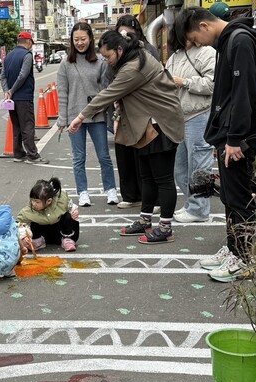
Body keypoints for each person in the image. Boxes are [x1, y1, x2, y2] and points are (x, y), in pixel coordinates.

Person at [68, 29, 184, 244]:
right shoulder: (133, 58)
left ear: (120, 50)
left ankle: (166, 227)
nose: (107, 61)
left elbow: (108, 94)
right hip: (146, 124)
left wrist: (80, 117)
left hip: (161, 124)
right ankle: (145, 220)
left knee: (163, 178)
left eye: (108, 56)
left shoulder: (133, 68)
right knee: (147, 176)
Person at [176, 7, 256, 281]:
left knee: (238, 199)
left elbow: (242, 93)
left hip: (238, 137)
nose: (197, 44)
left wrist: (235, 138)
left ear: (204, 25)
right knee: (229, 197)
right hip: (227, 134)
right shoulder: (230, 41)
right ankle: (234, 249)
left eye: (194, 38)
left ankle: (244, 260)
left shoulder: (239, 40)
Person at [57, 22, 118, 207]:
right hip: (74, 116)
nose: (80, 43)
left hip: (97, 115)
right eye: (76, 39)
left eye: (83, 39)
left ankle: (111, 189)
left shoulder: (100, 61)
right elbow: (62, 92)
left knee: (104, 156)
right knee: (78, 158)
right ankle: (82, 192)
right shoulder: (65, 63)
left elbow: (106, 88)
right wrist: (62, 119)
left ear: (91, 38)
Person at [165, 24, 215, 223]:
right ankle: (192, 205)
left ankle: (199, 209)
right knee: (180, 169)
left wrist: (184, 82)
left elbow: (212, 83)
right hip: (179, 117)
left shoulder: (207, 53)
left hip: (200, 115)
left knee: (200, 166)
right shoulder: (174, 56)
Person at [113, 15, 161, 209]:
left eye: (128, 33)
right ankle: (130, 195)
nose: (124, 36)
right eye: (120, 33)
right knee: (124, 154)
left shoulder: (147, 50)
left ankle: (151, 198)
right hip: (122, 109)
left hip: (143, 109)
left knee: (144, 155)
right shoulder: (115, 51)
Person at [0, 31, 49, 164]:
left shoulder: (8, 56)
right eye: (31, 43)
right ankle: (32, 156)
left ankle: (18, 154)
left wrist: (7, 91)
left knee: (16, 126)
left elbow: (2, 76)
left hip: (11, 99)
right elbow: (23, 75)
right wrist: (12, 90)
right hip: (23, 97)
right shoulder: (27, 55)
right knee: (27, 126)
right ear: (28, 42)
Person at [17, 177, 80, 252]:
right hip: (43, 235)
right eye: (32, 200)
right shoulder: (28, 210)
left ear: (49, 201)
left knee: (68, 216)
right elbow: (19, 224)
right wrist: (24, 237)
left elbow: (71, 206)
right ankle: (38, 241)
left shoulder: (61, 200)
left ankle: (68, 240)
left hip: (59, 233)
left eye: (37, 202)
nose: (34, 204)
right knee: (31, 222)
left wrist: (75, 211)